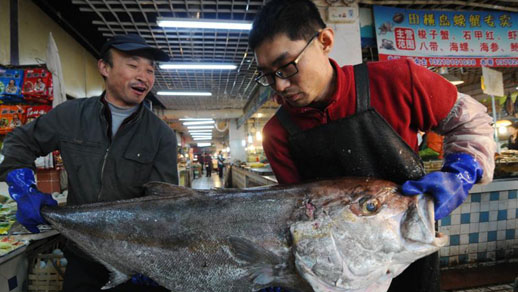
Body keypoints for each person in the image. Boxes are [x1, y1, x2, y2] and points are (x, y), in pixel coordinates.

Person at [249, 1, 495, 292]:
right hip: (339, 275)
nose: (278, 87)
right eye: (267, 74)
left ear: (325, 41)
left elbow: (470, 121)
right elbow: (299, 218)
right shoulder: (278, 134)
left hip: (408, 252)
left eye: (287, 67)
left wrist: (462, 171)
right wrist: (285, 272)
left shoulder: (397, 79)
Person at [0, 34, 177, 292]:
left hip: (136, 261)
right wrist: (24, 188)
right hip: (83, 258)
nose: (144, 76)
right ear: (104, 67)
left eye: (150, 69)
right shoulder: (71, 116)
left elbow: (165, 205)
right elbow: (19, 142)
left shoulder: (161, 135)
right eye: (133, 65)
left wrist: (157, 258)